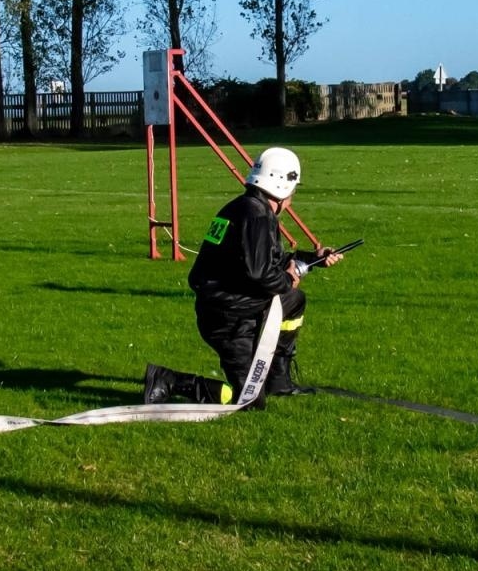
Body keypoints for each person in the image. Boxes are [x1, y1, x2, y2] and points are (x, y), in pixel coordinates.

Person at [143, 147, 343, 408]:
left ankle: (278, 380)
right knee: (248, 401)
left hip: (235, 306)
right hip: (228, 318)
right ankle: (168, 380)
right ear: (283, 188)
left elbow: (264, 261)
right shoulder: (257, 216)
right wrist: (286, 280)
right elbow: (260, 273)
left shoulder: (243, 208)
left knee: (293, 300)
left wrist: (310, 259)